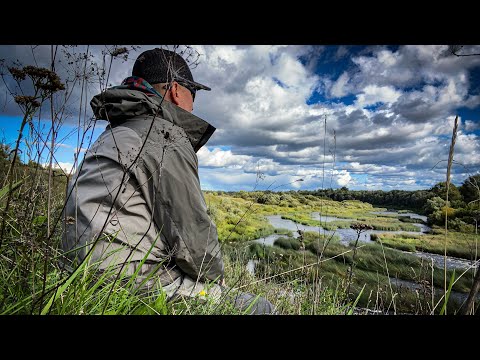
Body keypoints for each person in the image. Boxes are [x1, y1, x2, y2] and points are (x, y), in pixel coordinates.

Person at [61, 47, 274, 314]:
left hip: (77, 275)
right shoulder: (163, 135)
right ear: (175, 90)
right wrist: (215, 280)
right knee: (260, 306)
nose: (193, 106)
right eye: (191, 95)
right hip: (125, 284)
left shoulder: (114, 133)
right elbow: (192, 233)